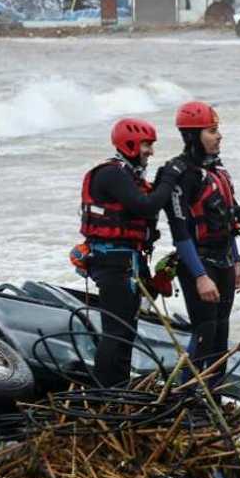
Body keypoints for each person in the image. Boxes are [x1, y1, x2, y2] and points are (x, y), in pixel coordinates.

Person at [77, 118, 186, 386]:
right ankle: (106, 393)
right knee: (116, 331)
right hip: (112, 262)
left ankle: (119, 388)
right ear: (129, 144)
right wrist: (169, 177)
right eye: (146, 145)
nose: (150, 151)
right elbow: (146, 206)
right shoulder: (111, 174)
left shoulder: (129, 175)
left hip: (129, 261)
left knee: (127, 330)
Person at [163, 101, 240, 384]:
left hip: (223, 260)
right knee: (205, 331)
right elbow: (180, 232)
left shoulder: (218, 170)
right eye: (212, 131)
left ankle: (214, 393)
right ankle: (186, 394)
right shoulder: (181, 174)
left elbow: (229, 223)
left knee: (221, 332)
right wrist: (200, 276)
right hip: (197, 262)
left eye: (218, 130)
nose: (219, 136)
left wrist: (237, 262)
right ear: (192, 135)